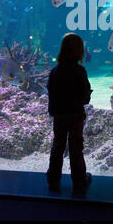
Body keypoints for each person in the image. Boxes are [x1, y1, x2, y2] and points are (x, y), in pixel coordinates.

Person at [46, 33, 92, 191]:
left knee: (57, 146)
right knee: (76, 147)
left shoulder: (54, 71)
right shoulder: (80, 71)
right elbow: (85, 98)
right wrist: (88, 94)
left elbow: (50, 92)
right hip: (75, 116)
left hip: (59, 115)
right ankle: (79, 180)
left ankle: (53, 179)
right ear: (80, 51)